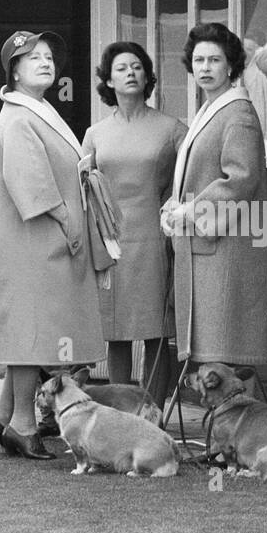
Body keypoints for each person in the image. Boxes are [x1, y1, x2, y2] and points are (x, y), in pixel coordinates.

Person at [0, 30, 105, 460]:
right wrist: (68, 219)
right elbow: (30, 182)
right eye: (34, 57)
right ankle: (22, 425)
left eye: (49, 56)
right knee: (32, 331)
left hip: (39, 241)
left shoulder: (37, 110)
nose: (46, 62)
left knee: (30, 329)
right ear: (14, 69)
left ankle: (4, 415)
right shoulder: (18, 117)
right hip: (33, 240)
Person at [162, 22, 267, 381]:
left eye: (214, 60)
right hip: (206, 245)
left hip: (228, 249)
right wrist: (171, 210)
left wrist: (189, 213)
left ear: (231, 66)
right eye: (198, 60)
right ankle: (222, 429)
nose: (205, 67)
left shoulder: (238, 112)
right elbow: (194, 176)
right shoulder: (210, 110)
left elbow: (241, 177)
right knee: (210, 351)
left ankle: (234, 431)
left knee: (223, 353)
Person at [82, 42, 187, 406]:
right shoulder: (95, 134)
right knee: (116, 329)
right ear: (108, 80)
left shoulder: (172, 130)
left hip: (154, 239)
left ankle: (153, 411)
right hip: (110, 241)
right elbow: (84, 187)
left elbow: (187, 185)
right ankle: (117, 410)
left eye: (137, 67)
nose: (130, 73)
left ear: (147, 77)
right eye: (122, 68)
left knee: (155, 330)